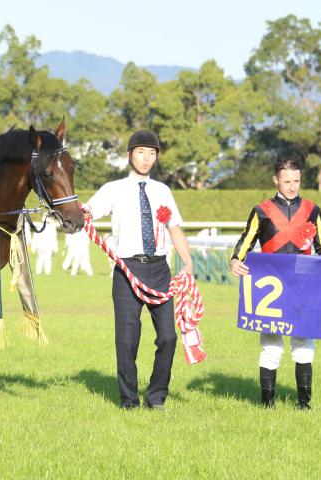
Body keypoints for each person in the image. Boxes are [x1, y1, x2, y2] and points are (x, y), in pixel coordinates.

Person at [86, 130, 193, 410]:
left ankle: (156, 396)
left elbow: (174, 228)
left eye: (152, 153)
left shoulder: (162, 191)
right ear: (130, 155)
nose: (146, 159)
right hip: (127, 270)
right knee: (127, 340)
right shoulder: (113, 189)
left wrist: (188, 262)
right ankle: (129, 400)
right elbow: (87, 212)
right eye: (141, 152)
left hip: (159, 269)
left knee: (168, 337)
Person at [229, 156, 321, 410]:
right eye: (287, 181)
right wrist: (235, 260)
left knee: (303, 344)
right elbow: (246, 241)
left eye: (296, 180)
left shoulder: (312, 209)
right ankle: (267, 405)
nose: (292, 186)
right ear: (276, 180)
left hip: (303, 287)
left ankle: (304, 404)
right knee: (271, 346)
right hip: (271, 289)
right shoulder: (261, 210)